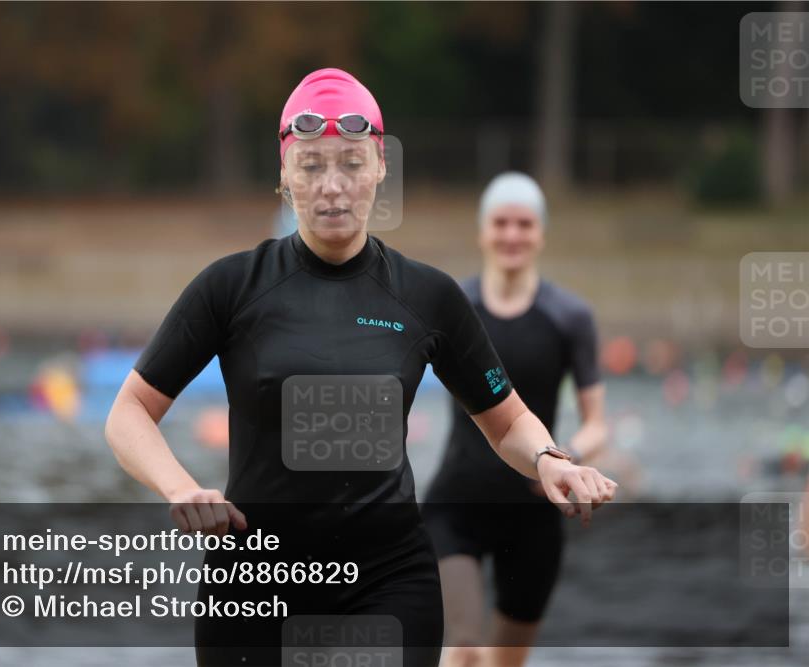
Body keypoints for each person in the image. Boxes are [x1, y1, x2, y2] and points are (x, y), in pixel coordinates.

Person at [105, 70, 617, 667]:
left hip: (387, 581)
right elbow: (129, 412)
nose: (331, 187)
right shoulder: (230, 287)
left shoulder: (427, 297)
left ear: (379, 169)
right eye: (311, 165)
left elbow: (505, 424)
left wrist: (551, 458)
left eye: (350, 164)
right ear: (283, 176)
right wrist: (181, 487)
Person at [423, 172, 609, 667]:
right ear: (483, 231)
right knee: (462, 650)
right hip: (455, 505)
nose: (511, 235)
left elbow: (597, 423)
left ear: (541, 233)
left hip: (534, 510)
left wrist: (569, 460)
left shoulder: (569, 316)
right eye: (500, 223)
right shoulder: (453, 307)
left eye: (524, 224)